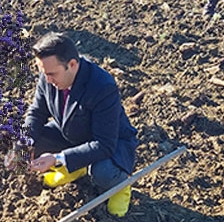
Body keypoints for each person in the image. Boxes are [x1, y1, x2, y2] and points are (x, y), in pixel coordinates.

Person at [18, 32, 139, 217]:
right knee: (36, 142)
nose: (47, 80)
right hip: (72, 131)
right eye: (44, 73)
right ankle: (77, 167)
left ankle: (121, 185)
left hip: (109, 142)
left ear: (72, 65)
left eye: (52, 74)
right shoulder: (48, 75)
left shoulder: (102, 86)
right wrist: (24, 141)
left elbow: (104, 145)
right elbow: (37, 112)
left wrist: (58, 159)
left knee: (103, 173)